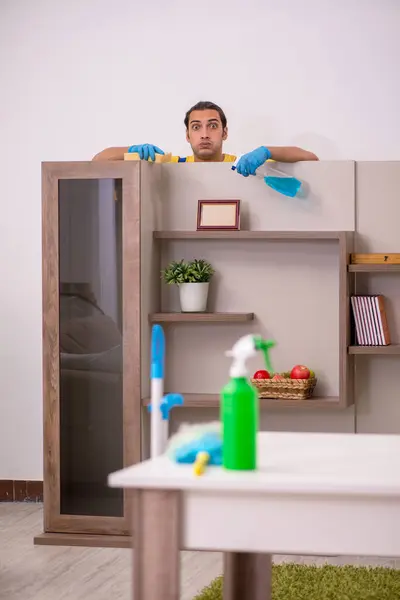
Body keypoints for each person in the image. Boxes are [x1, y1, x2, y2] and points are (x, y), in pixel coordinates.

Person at [92, 100, 318, 176]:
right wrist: (131, 149)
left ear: (225, 132)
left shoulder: (243, 166)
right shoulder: (172, 165)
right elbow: (97, 162)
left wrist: (268, 151)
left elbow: (311, 159)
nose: (205, 134)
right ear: (187, 136)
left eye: (212, 125)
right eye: (196, 127)